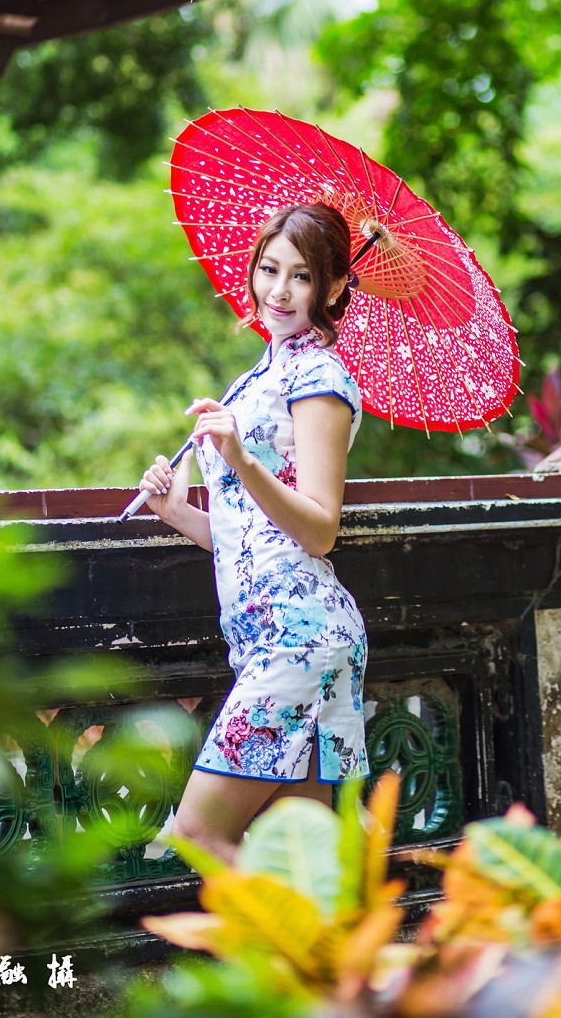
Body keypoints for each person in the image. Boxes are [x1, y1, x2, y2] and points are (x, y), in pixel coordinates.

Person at [139, 202, 368, 863]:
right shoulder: (257, 378)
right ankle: (332, 962)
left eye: (301, 276)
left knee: (199, 835)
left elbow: (319, 528)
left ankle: (325, 954)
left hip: (299, 636)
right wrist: (178, 511)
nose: (279, 290)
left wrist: (238, 458)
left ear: (333, 288)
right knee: (302, 863)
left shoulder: (319, 377)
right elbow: (252, 533)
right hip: (270, 631)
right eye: (269, 269)